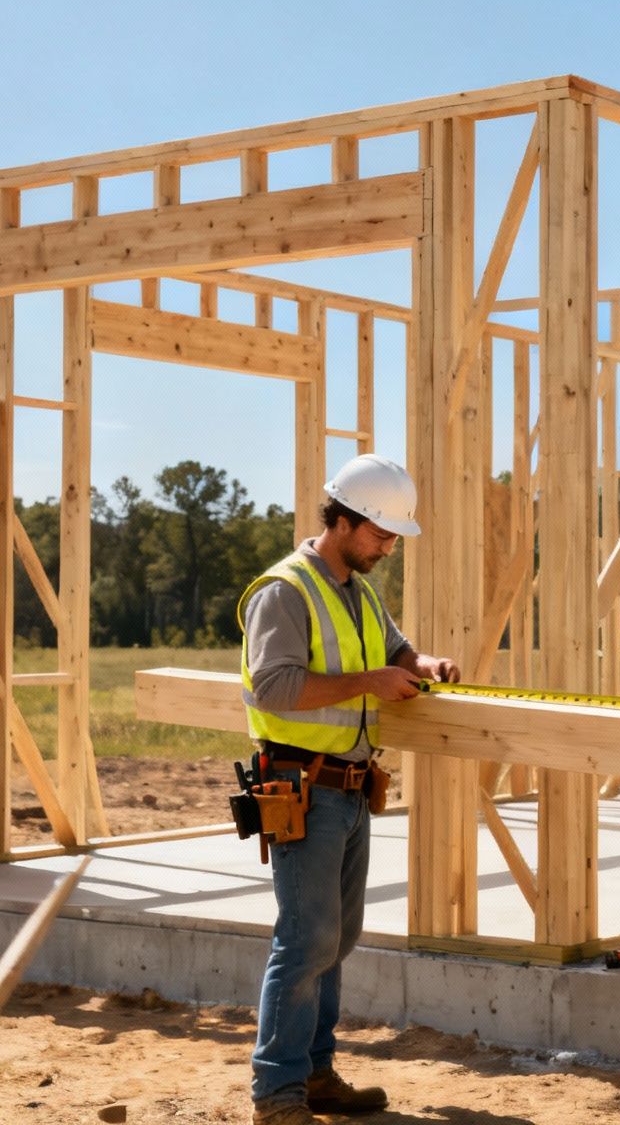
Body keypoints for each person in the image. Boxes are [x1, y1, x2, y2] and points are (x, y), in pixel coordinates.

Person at [241, 453, 459, 1125]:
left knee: (336, 939)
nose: (389, 547)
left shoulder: (358, 590)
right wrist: (368, 683)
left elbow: (394, 649)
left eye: (393, 537)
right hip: (300, 786)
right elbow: (272, 686)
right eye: (381, 535)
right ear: (342, 521)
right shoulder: (286, 592)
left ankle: (314, 1074)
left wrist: (422, 664)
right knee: (305, 941)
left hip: (351, 787)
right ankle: (276, 1095)